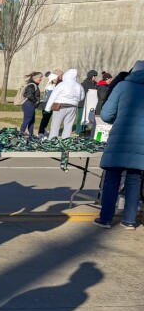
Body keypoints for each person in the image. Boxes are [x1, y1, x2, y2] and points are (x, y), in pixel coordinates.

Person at [93, 60, 144, 230]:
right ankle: (129, 220)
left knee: (112, 178)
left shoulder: (122, 86)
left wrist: (120, 118)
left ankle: (105, 218)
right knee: (134, 179)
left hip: (120, 137)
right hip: (141, 142)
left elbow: (106, 115)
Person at [45, 68, 85, 139]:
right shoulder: (79, 86)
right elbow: (82, 97)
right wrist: (75, 100)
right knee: (68, 125)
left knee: (55, 125)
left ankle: (52, 140)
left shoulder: (61, 85)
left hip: (60, 106)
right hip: (73, 107)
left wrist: (47, 108)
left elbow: (53, 97)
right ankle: (66, 140)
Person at [19, 71, 43, 137]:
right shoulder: (32, 85)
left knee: (31, 121)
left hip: (30, 105)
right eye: (40, 77)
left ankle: (31, 135)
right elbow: (29, 95)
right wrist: (36, 101)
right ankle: (20, 134)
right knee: (27, 120)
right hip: (28, 105)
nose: (41, 79)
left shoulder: (33, 85)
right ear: (35, 78)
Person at [38, 70, 61, 136]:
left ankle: (43, 131)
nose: (57, 80)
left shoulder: (52, 85)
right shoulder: (50, 87)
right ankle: (41, 132)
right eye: (56, 79)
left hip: (48, 104)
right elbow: (50, 98)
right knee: (45, 119)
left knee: (46, 119)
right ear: (52, 79)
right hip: (47, 104)